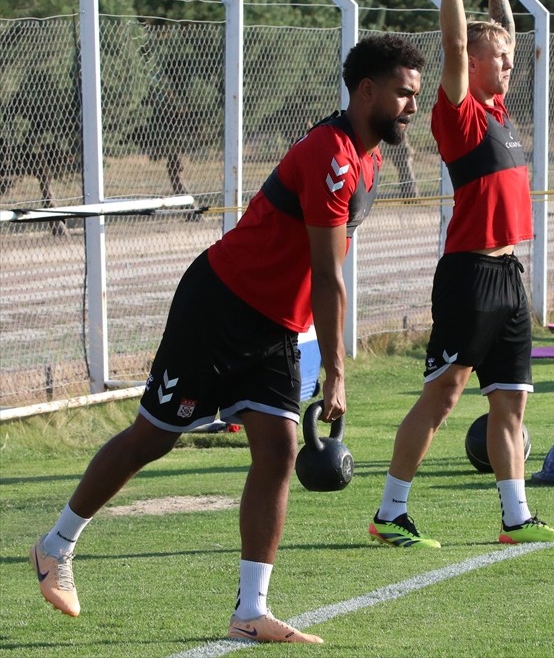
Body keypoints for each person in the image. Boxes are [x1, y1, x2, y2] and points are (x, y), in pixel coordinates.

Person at [31, 35, 427, 644]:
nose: (411, 106)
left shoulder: (369, 158)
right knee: (153, 437)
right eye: (403, 93)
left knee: (277, 451)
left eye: (416, 96)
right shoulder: (333, 154)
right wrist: (338, 371)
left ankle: (250, 611)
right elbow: (327, 274)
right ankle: (55, 547)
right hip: (220, 306)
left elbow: (318, 274)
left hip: (275, 326)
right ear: (366, 90)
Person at [369, 0, 554, 548]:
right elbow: (460, 45)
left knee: (511, 405)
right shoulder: (459, 114)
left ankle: (516, 518)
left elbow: (500, 29)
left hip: (509, 275)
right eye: (501, 57)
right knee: (442, 397)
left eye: (511, 57)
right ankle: (389, 513)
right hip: (469, 276)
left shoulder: (499, 108)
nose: (509, 61)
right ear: (475, 63)